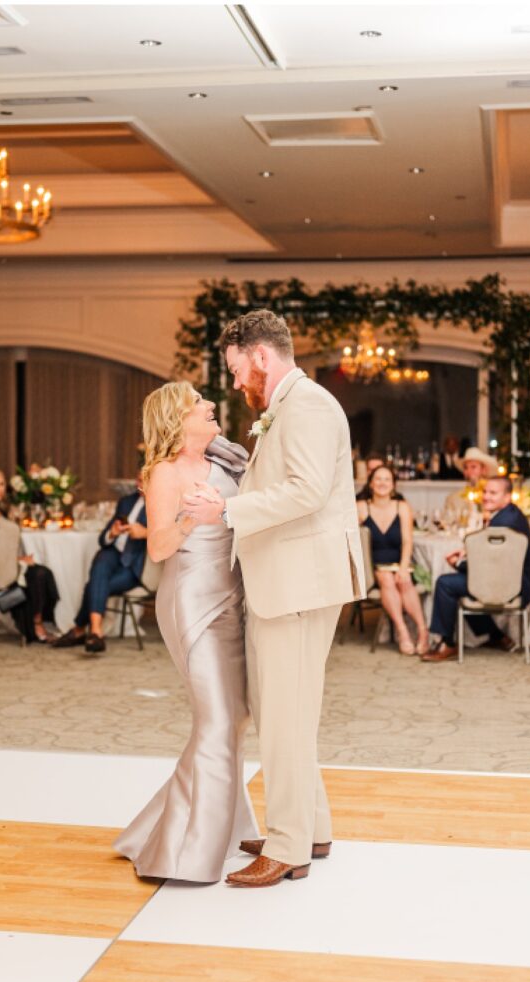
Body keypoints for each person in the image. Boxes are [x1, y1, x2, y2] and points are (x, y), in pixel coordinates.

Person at [184, 309, 365, 888]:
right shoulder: (289, 407)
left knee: (285, 716)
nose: (237, 384)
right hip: (293, 578)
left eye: (239, 370)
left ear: (261, 356)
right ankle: (309, 825)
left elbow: (308, 491)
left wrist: (228, 510)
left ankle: (289, 847)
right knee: (286, 712)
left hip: (299, 581)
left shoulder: (307, 405)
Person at [113, 382, 258, 883]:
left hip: (234, 596)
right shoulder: (164, 473)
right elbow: (156, 549)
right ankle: (189, 853)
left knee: (234, 716)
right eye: (200, 402)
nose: (211, 406)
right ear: (178, 417)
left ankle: (189, 828)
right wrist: (189, 519)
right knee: (218, 720)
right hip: (192, 600)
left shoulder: (224, 463)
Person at [421, 475, 530, 662]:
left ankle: (447, 643)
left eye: (493, 493)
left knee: (445, 584)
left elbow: (488, 567)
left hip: (507, 584)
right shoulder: (512, 515)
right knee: (465, 586)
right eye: (485, 492)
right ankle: (497, 636)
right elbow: (494, 559)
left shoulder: (502, 522)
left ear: (507, 497)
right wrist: (466, 555)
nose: (486, 496)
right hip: (510, 581)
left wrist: (458, 563)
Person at [52, 473, 148, 654]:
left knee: (95, 586)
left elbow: (172, 536)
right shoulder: (126, 501)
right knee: (102, 557)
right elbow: (102, 539)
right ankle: (96, 631)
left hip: (136, 565)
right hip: (114, 553)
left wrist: (146, 533)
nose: (139, 484)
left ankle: (79, 630)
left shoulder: (164, 504)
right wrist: (112, 533)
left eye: (144, 480)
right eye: (138, 479)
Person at [0, 467, 59, 644]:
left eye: (1, 484)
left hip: (6, 564)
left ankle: (36, 623)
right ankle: (34, 626)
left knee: (42, 573)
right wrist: (18, 560)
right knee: (36, 574)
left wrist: (18, 560)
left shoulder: (2, 508)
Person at [357, 464, 429, 656]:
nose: (382, 483)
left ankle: (423, 631)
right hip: (374, 565)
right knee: (386, 578)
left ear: (393, 485)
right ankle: (403, 631)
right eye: (378, 479)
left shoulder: (402, 507)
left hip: (400, 562)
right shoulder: (362, 508)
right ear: (371, 484)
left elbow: (407, 541)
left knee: (403, 581)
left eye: (387, 479)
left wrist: (404, 567)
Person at [444, 446, 498, 518]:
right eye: (466, 467)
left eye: (473, 467)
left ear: (484, 470)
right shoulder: (453, 499)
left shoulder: (494, 497)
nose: (468, 471)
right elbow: (447, 523)